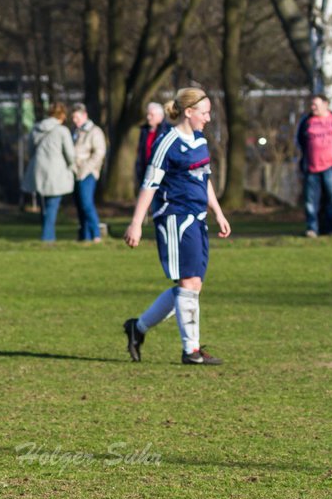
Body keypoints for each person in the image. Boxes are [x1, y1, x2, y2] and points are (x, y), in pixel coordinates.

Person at [122, 87, 232, 366]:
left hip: (197, 218)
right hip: (174, 218)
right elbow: (149, 183)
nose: (208, 118)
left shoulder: (200, 140)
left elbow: (203, 179)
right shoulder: (166, 142)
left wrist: (217, 212)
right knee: (188, 283)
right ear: (189, 112)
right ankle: (191, 351)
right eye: (205, 113)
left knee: (192, 286)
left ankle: (138, 328)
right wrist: (136, 223)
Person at [295, 93, 332, 237]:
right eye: (312, 105)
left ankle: (331, 228)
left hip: (331, 167)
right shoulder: (307, 120)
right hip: (311, 167)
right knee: (310, 201)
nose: (313, 107)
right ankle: (312, 228)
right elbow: (299, 140)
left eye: (316, 105)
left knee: (331, 199)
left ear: (325, 104)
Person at [21, 102, 75, 243]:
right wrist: (72, 166)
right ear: (62, 115)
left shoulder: (35, 129)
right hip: (56, 173)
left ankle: (47, 235)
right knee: (52, 206)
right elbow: (70, 154)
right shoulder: (62, 131)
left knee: (43, 206)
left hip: (38, 171)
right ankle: (47, 238)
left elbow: (30, 151)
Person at [70, 102, 107, 243]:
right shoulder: (75, 131)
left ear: (84, 115)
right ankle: (84, 236)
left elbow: (99, 153)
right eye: (73, 118)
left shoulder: (95, 131)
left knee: (86, 203)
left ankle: (96, 234)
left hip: (88, 173)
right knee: (79, 205)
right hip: (75, 173)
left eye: (77, 117)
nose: (75, 121)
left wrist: (86, 168)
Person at [134, 102, 168, 190]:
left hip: (160, 173)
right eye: (148, 114)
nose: (148, 117)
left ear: (160, 116)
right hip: (145, 171)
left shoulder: (167, 131)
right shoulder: (144, 131)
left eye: (151, 115)